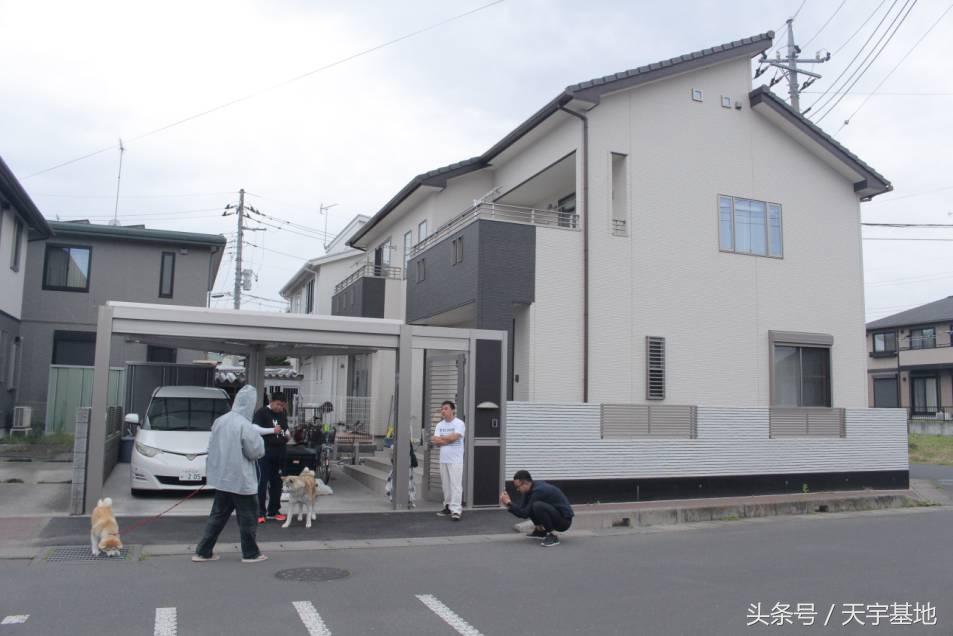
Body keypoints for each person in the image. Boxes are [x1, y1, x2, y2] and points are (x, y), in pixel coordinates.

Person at [193, 385, 268, 563]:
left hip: (223, 478)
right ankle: (250, 553)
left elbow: (212, 446)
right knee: (248, 518)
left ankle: (203, 551)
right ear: (250, 404)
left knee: (218, 516)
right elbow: (255, 451)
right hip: (241, 479)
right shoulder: (245, 425)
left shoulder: (221, 420)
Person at [500, 469, 574, 547]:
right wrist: (508, 504)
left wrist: (509, 503)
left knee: (537, 506)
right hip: (555, 515)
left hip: (564, 521)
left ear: (525, 483)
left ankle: (552, 535)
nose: (517, 490)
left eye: (517, 487)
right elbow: (523, 511)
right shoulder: (529, 490)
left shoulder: (539, 490)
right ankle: (540, 531)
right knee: (532, 505)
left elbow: (524, 513)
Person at [254, 391, 289, 524]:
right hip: (265, 452)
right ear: (272, 401)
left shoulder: (282, 414)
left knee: (277, 482)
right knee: (262, 482)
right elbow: (254, 428)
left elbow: (284, 429)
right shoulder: (261, 413)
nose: (280, 408)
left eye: (282, 406)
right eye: (278, 404)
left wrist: (287, 434)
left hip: (280, 452)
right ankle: (260, 512)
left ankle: (274, 511)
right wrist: (271, 431)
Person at [431, 400, 465, 521]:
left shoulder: (459, 423)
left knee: (455, 485)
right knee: (446, 485)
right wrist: (447, 439)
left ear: (452, 410)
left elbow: (455, 437)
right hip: (443, 460)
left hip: (456, 460)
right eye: (442, 409)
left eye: (445, 409)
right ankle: (447, 506)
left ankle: (456, 510)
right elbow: (435, 442)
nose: (443, 411)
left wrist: (443, 439)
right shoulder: (439, 425)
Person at [385, 441, 418, 508]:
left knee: (407, 484)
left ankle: (408, 500)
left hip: (405, 469)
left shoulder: (398, 444)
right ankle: (408, 500)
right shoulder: (397, 445)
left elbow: (393, 459)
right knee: (407, 484)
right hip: (401, 469)